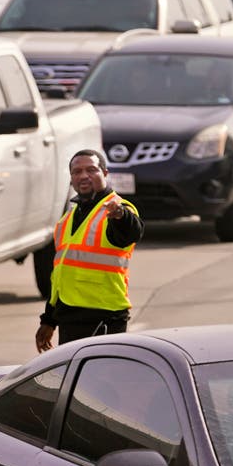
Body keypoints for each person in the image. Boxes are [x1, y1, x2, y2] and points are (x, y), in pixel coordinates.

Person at [36, 149, 143, 352]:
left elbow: (130, 233)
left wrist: (120, 216)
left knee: (101, 382)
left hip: (103, 317)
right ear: (71, 179)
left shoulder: (119, 207)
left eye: (91, 170)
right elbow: (60, 276)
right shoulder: (68, 218)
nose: (83, 175)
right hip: (69, 317)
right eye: (77, 172)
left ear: (105, 173)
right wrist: (49, 320)